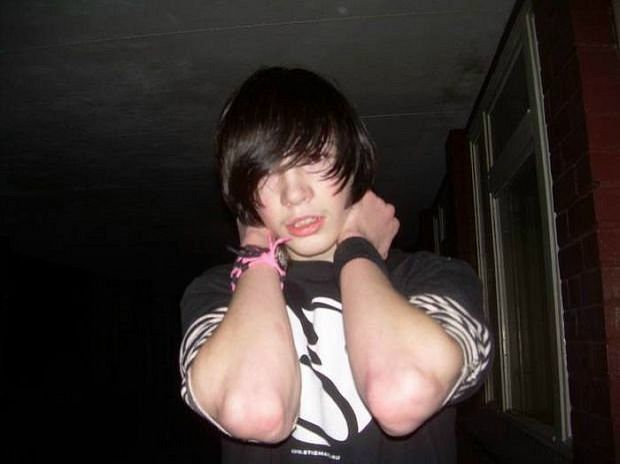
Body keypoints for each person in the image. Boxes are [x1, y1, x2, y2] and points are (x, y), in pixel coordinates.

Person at [179, 67, 492, 463]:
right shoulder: (217, 294)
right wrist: (257, 251)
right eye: (265, 172)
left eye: (313, 158)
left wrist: (356, 246)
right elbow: (255, 410)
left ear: (353, 161)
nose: (294, 193)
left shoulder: (437, 278)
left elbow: (401, 393)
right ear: (244, 193)